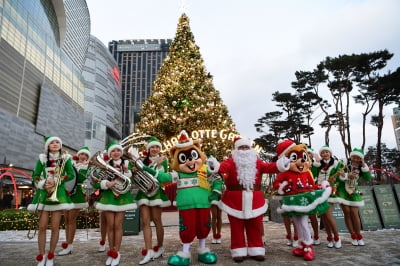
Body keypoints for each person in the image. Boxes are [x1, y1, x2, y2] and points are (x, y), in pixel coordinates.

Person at [142, 130, 222, 265]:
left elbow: (217, 179)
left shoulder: (204, 169)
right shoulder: (178, 173)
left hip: (203, 203)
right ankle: (185, 252)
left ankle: (203, 249)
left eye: (193, 156)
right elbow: (164, 177)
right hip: (186, 205)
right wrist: (149, 170)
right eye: (184, 158)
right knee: (187, 227)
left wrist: (215, 191)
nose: (190, 160)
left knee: (204, 225)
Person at [218, 137, 290, 263]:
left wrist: (281, 164)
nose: (244, 150)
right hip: (235, 201)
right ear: (236, 149)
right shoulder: (230, 161)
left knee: (255, 225)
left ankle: (256, 248)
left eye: (246, 147)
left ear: (250, 149)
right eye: (241, 147)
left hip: (254, 200)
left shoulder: (257, 162)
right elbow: (221, 168)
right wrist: (214, 165)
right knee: (236, 226)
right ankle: (238, 249)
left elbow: (269, 167)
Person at [273, 140, 331, 261]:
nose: (301, 161)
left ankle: (309, 246)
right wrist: (282, 187)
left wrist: (320, 187)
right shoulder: (285, 173)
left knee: (304, 223)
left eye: (303, 157)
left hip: (304, 202)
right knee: (297, 223)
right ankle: (301, 245)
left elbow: (312, 185)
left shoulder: (306, 173)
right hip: (292, 202)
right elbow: (276, 183)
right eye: (295, 158)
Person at [27, 136, 75, 266]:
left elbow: (71, 174)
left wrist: (57, 180)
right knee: (42, 227)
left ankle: (51, 255)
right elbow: (35, 175)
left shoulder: (65, 158)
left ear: (60, 145)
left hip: (58, 194)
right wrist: (43, 183)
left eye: (57, 142)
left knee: (55, 227)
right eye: (52, 142)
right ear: (48, 146)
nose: (55, 144)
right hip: (43, 195)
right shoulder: (42, 159)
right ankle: (41, 255)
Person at [92, 140, 137, 266]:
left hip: (122, 197)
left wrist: (127, 172)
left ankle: (117, 252)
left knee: (118, 225)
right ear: (110, 153)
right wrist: (105, 183)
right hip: (108, 197)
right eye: (113, 151)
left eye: (118, 150)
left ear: (121, 152)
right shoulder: (104, 165)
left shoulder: (125, 165)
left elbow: (131, 182)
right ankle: (111, 251)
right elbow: (95, 181)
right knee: (110, 226)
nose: (116, 153)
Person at [135, 137, 171, 264]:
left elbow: (163, 178)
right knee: (145, 221)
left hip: (156, 193)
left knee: (157, 220)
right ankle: (148, 250)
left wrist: (159, 164)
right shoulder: (141, 161)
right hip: (144, 193)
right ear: (148, 149)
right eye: (152, 147)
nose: (155, 149)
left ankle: (160, 247)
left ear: (159, 149)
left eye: (157, 147)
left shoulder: (163, 161)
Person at [58, 147, 91, 255]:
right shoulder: (72, 164)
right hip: (68, 193)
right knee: (66, 220)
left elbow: (80, 178)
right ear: (78, 155)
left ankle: (70, 245)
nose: (83, 156)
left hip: (77, 194)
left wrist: (85, 166)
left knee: (71, 220)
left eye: (85, 155)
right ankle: (68, 244)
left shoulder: (86, 167)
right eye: (81, 154)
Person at [336, 148, 372, 246]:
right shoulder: (343, 163)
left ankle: (359, 235)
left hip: (354, 191)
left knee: (354, 213)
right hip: (342, 191)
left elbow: (368, 178)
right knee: (347, 212)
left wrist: (364, 165)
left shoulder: (361, 167)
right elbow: (337, 175)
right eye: (354, 157)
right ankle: (353, 236)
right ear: (350, 156)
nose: (355, 159)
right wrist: (346, 175)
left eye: (358, 158)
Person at [312, 145, 343, 249]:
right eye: (323, 153)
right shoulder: (318, 165)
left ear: (330, 153)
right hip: (319, 192)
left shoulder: (336, 164)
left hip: (330, 192)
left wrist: (335, 183)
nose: (325, 154)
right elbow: (313, 176)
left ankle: (337, 238)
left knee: (329, 216)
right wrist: (316, 164)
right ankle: (329, 238)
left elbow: (339, 179)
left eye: (327, 152)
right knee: (324, 217)